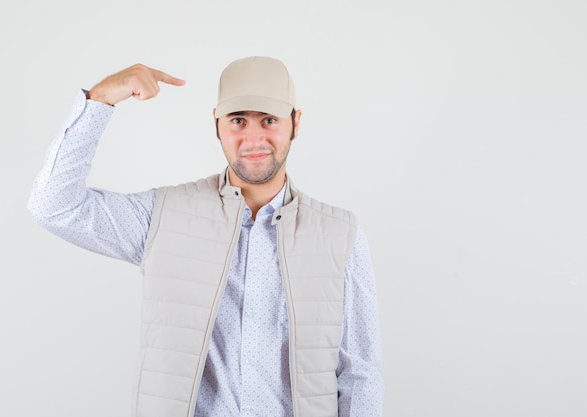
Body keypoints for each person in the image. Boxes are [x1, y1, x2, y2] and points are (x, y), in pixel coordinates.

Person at [28, 56, 384, 417]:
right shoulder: (164, 216)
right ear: (216, 123)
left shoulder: (340, 234)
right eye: (238, 120)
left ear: (296, 123)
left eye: (270, 120)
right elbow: (53, 206)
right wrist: (100, 100)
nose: (253, 138)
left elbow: (361, 372)